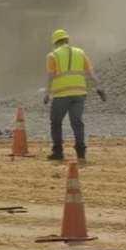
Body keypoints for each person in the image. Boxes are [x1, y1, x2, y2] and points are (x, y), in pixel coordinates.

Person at [42, 29, 106, 163]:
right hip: (79, 93)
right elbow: (90, 72)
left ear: (55, 42)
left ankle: (58, 152)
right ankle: (81, 154)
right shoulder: (80, 53)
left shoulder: (53, 55)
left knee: (56, 122)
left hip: (61, 94)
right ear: (67, 40)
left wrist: (47, 92)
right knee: (77, 122)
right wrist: (98, 87)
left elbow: (51, 74)